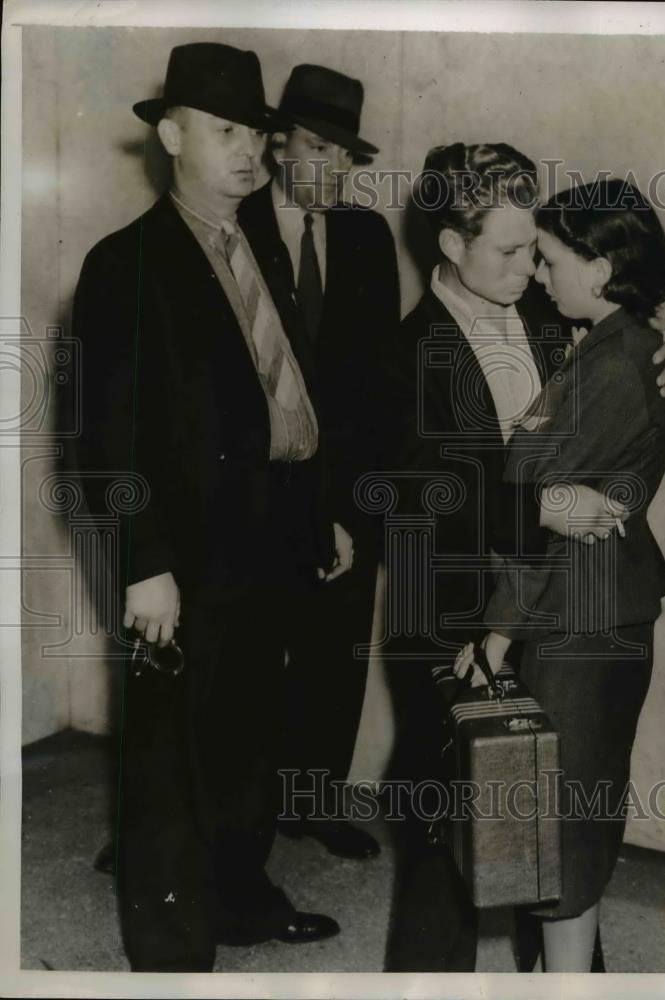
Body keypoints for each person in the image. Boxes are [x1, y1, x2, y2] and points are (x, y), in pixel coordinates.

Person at [383, 143, 665, 972]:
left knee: (557, 805)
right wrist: (535, 506)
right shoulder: (398, 352)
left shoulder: (548, 312)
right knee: (453, 814)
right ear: (450, 247)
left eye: (537, 248)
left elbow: (631, 346)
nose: (530, 268)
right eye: (508, 250)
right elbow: (421, 493)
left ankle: (571, 973)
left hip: (556, 602)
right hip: (457, 599)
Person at [72, 43, 343, 972]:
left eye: (257, 135)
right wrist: (143, 564)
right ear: (174, 132)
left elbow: (287, 396)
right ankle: (171, 953)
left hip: (272, 535)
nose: (249, 152)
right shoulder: (126, 265)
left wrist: (322, 514)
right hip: (183, 556)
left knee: (249, 743)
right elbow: (101, 442)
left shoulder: (260, 243)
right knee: (168, 761)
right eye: (225, 131)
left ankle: (240, 900)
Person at [456, 175, 665, 972]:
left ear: (597, 268)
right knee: (566, 823)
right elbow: (542, 497)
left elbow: (534, 512)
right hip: (589, 606)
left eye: (551, 257)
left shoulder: (619, 363)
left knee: (559, 832)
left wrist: (494, 635)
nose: (538, 272)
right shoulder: (617, 343)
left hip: (577, 615)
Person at [240, 64, 400, 860]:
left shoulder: (368, 239)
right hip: (257, 493)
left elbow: (377, 381)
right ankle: (237, 808)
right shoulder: (230, 225)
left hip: (343, 489)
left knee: (335, 656)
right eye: (316, 147)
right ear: (275, 146)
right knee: (250, 658)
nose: (333, 169)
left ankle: (316, 798)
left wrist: (351, 505)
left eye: (347, 155)